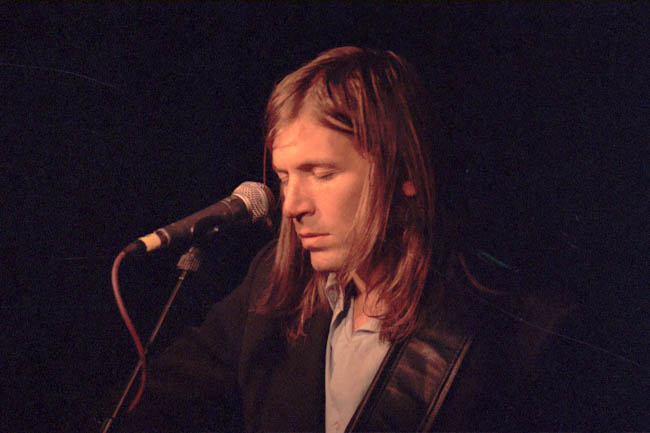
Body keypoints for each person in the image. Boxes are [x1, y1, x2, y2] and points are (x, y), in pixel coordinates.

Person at [105, 46, 640, 432]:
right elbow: (157, 397)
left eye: (321, 172)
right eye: (286, 177)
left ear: (402, 171)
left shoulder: (519, 331)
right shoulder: (274, 278)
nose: (292, 204)